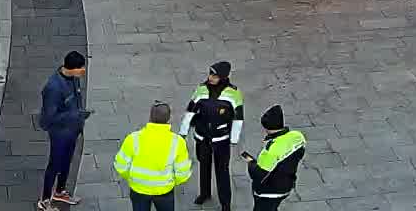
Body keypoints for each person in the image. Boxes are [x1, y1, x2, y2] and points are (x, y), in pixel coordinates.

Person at [181, 62, 245, 208]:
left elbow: (238, 118)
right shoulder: (201, 90)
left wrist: (234, 139)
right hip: (202, 137)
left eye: (215, 75)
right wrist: (183, 132)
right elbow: (190, 111)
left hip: (221, 139)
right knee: (204, 166)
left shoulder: (234, 93)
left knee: (222, 171)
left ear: (223, 77)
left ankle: (225, 204)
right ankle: (204, 193)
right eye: (210, 74)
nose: (211, 77)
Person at [38, 51, 92, 209]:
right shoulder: (54, 88)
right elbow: (49, 118)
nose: (83, 71)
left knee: (66, 162)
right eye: (81, 68)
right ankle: (45, 200)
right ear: (72, 68)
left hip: (71, 130)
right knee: (55, 164)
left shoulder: (73, 79)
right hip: (59, 133)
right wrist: (75, 114)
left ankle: (60, 191)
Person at [114, 102, 191, 211]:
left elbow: (120, 166)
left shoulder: (133, 138)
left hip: (139, 189)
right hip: (164, 190)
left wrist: (132, 178)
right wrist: (171, 182)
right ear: (169, 119)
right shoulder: (177, 142)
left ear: (150, 117)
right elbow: (183, 173)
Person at [242, 106, 305, 210]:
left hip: (269, 192)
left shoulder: (271, 151)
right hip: (287, 184)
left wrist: (251, 163)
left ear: (267, 128)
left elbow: (258, 174)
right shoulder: (297, 136)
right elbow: (299, 154)